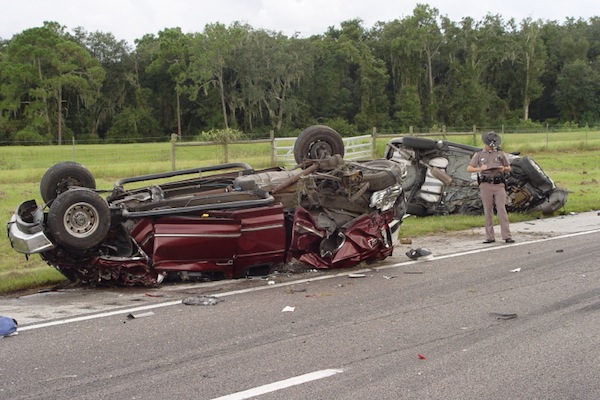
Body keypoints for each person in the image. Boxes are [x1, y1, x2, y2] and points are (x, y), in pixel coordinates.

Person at [467, 131, 515, 244]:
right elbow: (469, 168)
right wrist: (480, 169)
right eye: (490, 145)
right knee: (488, 210)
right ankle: (489, 237)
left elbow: (509, 167)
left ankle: (506, 236)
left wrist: (503, 169)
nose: (491, 147)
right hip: (486, 184)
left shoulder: (500, 153)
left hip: (498, 184)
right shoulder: (479, 154)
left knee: (501, 209)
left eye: (493, 145)